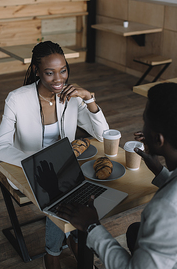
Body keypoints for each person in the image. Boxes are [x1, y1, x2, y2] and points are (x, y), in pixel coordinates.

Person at [0, 41, 109, 269]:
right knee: (66, 191)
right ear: (36, 71)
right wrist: (42, 160)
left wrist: (89, 98)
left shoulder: (72, 97)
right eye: (50, 73)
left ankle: (67, 244)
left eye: (63, 70)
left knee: (84, 187)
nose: (59, 79)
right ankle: (59, 251)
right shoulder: (17, 98)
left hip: (64, 170)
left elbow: (103, 135)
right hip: (29, 169)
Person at [57, 82, 177, 269]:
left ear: (158, 139)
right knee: (134, 231)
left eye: (145, 121)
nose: (143, 127)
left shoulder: (164, 208)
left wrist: (91, 226)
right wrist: (159, 171)